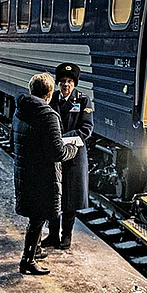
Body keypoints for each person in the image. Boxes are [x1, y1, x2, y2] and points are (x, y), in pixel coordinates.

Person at [13, 73, 78, 275]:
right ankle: (28, 260)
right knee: (38, 216)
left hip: (25, 170)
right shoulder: (48, 116)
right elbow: (57, 152)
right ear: (50, 93)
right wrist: (73, 149)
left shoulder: (20, 110)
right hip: (42, 175)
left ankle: (36, 250)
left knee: (35, 214)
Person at [46, 62, 94, 250]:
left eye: (69, 82)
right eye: (63, 81)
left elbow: (86, 128)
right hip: (55, 155)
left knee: (70, 198)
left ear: (75, 84)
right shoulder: (51, 99)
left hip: (74, 155)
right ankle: (52, 236)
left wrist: (62, 138)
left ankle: (66, 236)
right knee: (52, 196)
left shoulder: (83, 100)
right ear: (57, 84)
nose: (66, 85)